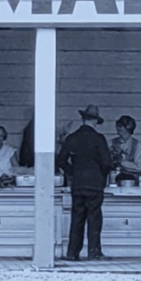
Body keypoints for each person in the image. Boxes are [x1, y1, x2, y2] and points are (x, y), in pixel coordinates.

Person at [58, 104, 114, 261]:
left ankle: (72, 252)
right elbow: (107, 163)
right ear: (95, 121)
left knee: (77, 218)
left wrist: (73, 172)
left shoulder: (71, 138)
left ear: (82, 119)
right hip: (95, 184)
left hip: (78, 183)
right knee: (94, 218)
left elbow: (61, 161)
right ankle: (94, 252)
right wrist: (101, 175)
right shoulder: (98, 139)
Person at [109, 115, 141, 183]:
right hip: (113, 180)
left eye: (120, 126)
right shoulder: (111, 143)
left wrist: (121, 162)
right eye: (117, 126)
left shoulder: (137, 145)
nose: (117, 128)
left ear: (128, 127)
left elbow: (138, 167)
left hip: (131, 181)